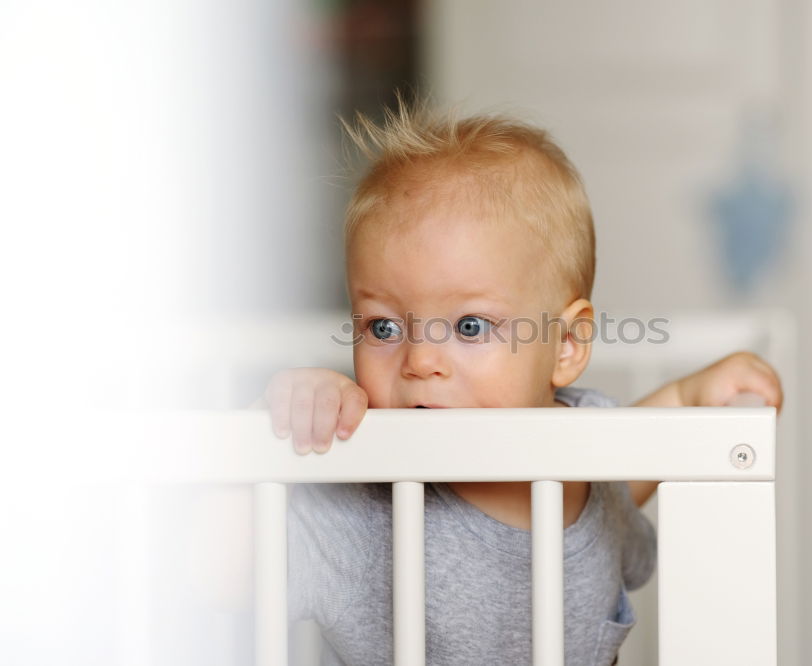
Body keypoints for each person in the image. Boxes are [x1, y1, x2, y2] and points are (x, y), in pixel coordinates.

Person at [264, 102, 783, 665]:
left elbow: (613, 484)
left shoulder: (588, 452)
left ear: (564, 346)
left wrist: (686, 398)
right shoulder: (358, 495)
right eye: (383, 327)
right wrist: (270, 435)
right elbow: (212, 575)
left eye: (469, 325)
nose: (419, 360)